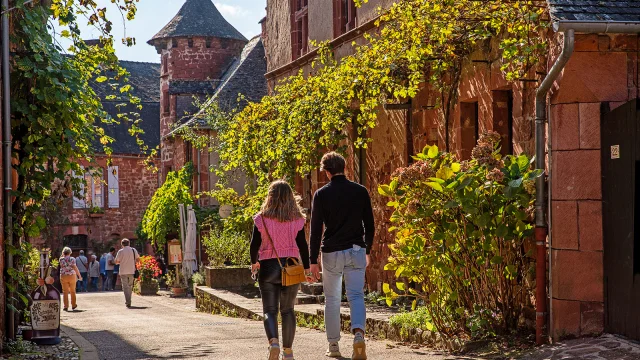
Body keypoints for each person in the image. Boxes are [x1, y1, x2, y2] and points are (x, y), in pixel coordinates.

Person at [309, 152, 375, 360]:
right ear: (344, 167)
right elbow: (370, 225)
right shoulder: (360, 191)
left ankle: (334, 345)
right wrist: (368, 250)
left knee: (332, 299)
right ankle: (358, 336)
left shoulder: (321, 194)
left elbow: (315, 230)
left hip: (332, 252)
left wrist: (312, 261)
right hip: (356, 249)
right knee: (356, 295)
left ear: (327, 172)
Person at [250, 180, 313, 360]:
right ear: (290, 197)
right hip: (291, 267)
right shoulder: (297, 220)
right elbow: (303, 246)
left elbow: (254, 245)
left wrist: (254, 263)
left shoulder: (261, 219)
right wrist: (307, 269)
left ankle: (273, 343)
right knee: (288, 310)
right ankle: (288, 352)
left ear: (270, 197)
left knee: (270, 310)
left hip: (268, 267)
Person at [114, 238, 140, 308]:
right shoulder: (133, 250)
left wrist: (121, 262)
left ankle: (128, 301)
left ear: (122, 244)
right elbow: (138, 259)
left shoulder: (120, 251)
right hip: (131, 270)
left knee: (125, 287)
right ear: (129, 243)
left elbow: (116, 261)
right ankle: (129, 300)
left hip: (123, 271)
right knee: (130, 286)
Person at [58, 247, 82, 311]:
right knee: (72, 291)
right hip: (72, 275)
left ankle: (66, 306)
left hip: (63, 275)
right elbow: (74, 267)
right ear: (70, 252)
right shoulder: (72, 259)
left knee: (65, 291)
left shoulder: (61, 259)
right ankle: (73, 305)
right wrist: (79, 275)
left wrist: (63, 255)